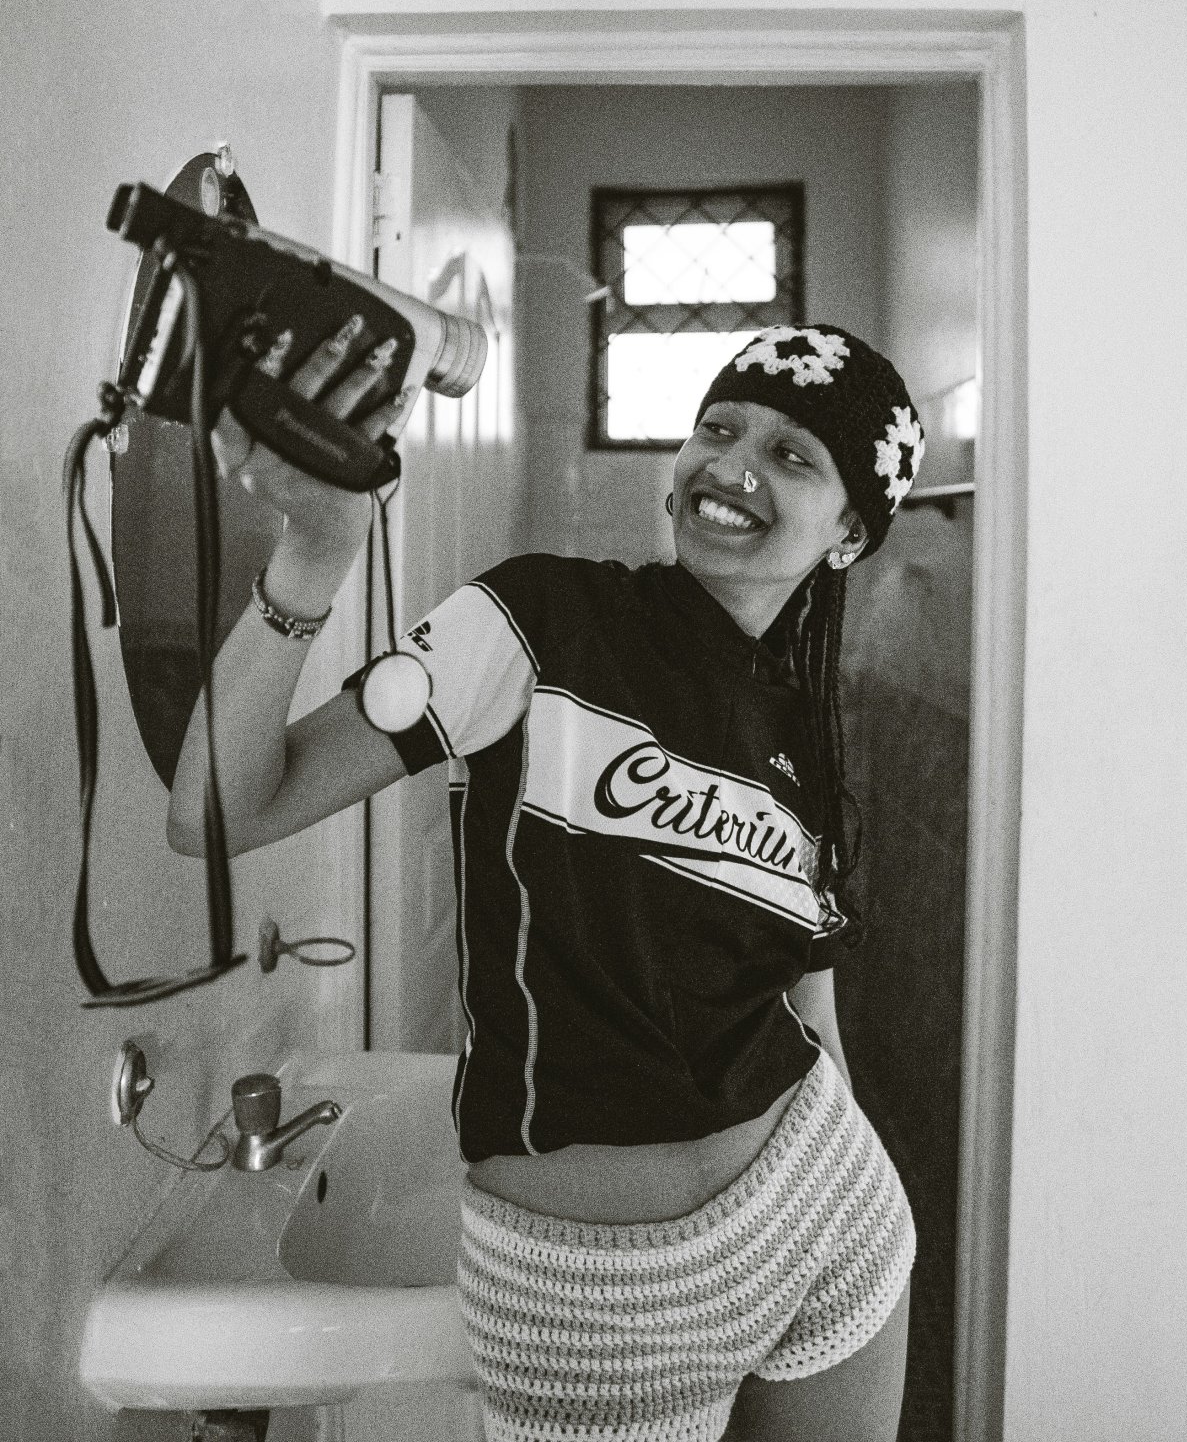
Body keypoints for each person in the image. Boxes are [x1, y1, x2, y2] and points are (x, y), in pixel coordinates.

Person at [168, 318, 926, 1442]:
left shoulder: (799, 729)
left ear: (850, 532)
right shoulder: (538, 621)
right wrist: (314, 557)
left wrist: (844, 1142)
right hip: (590, 1295)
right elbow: (216, 812)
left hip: (823, 1204)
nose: (733, 465)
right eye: (720, 428)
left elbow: (806, 998)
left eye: (791, 455)